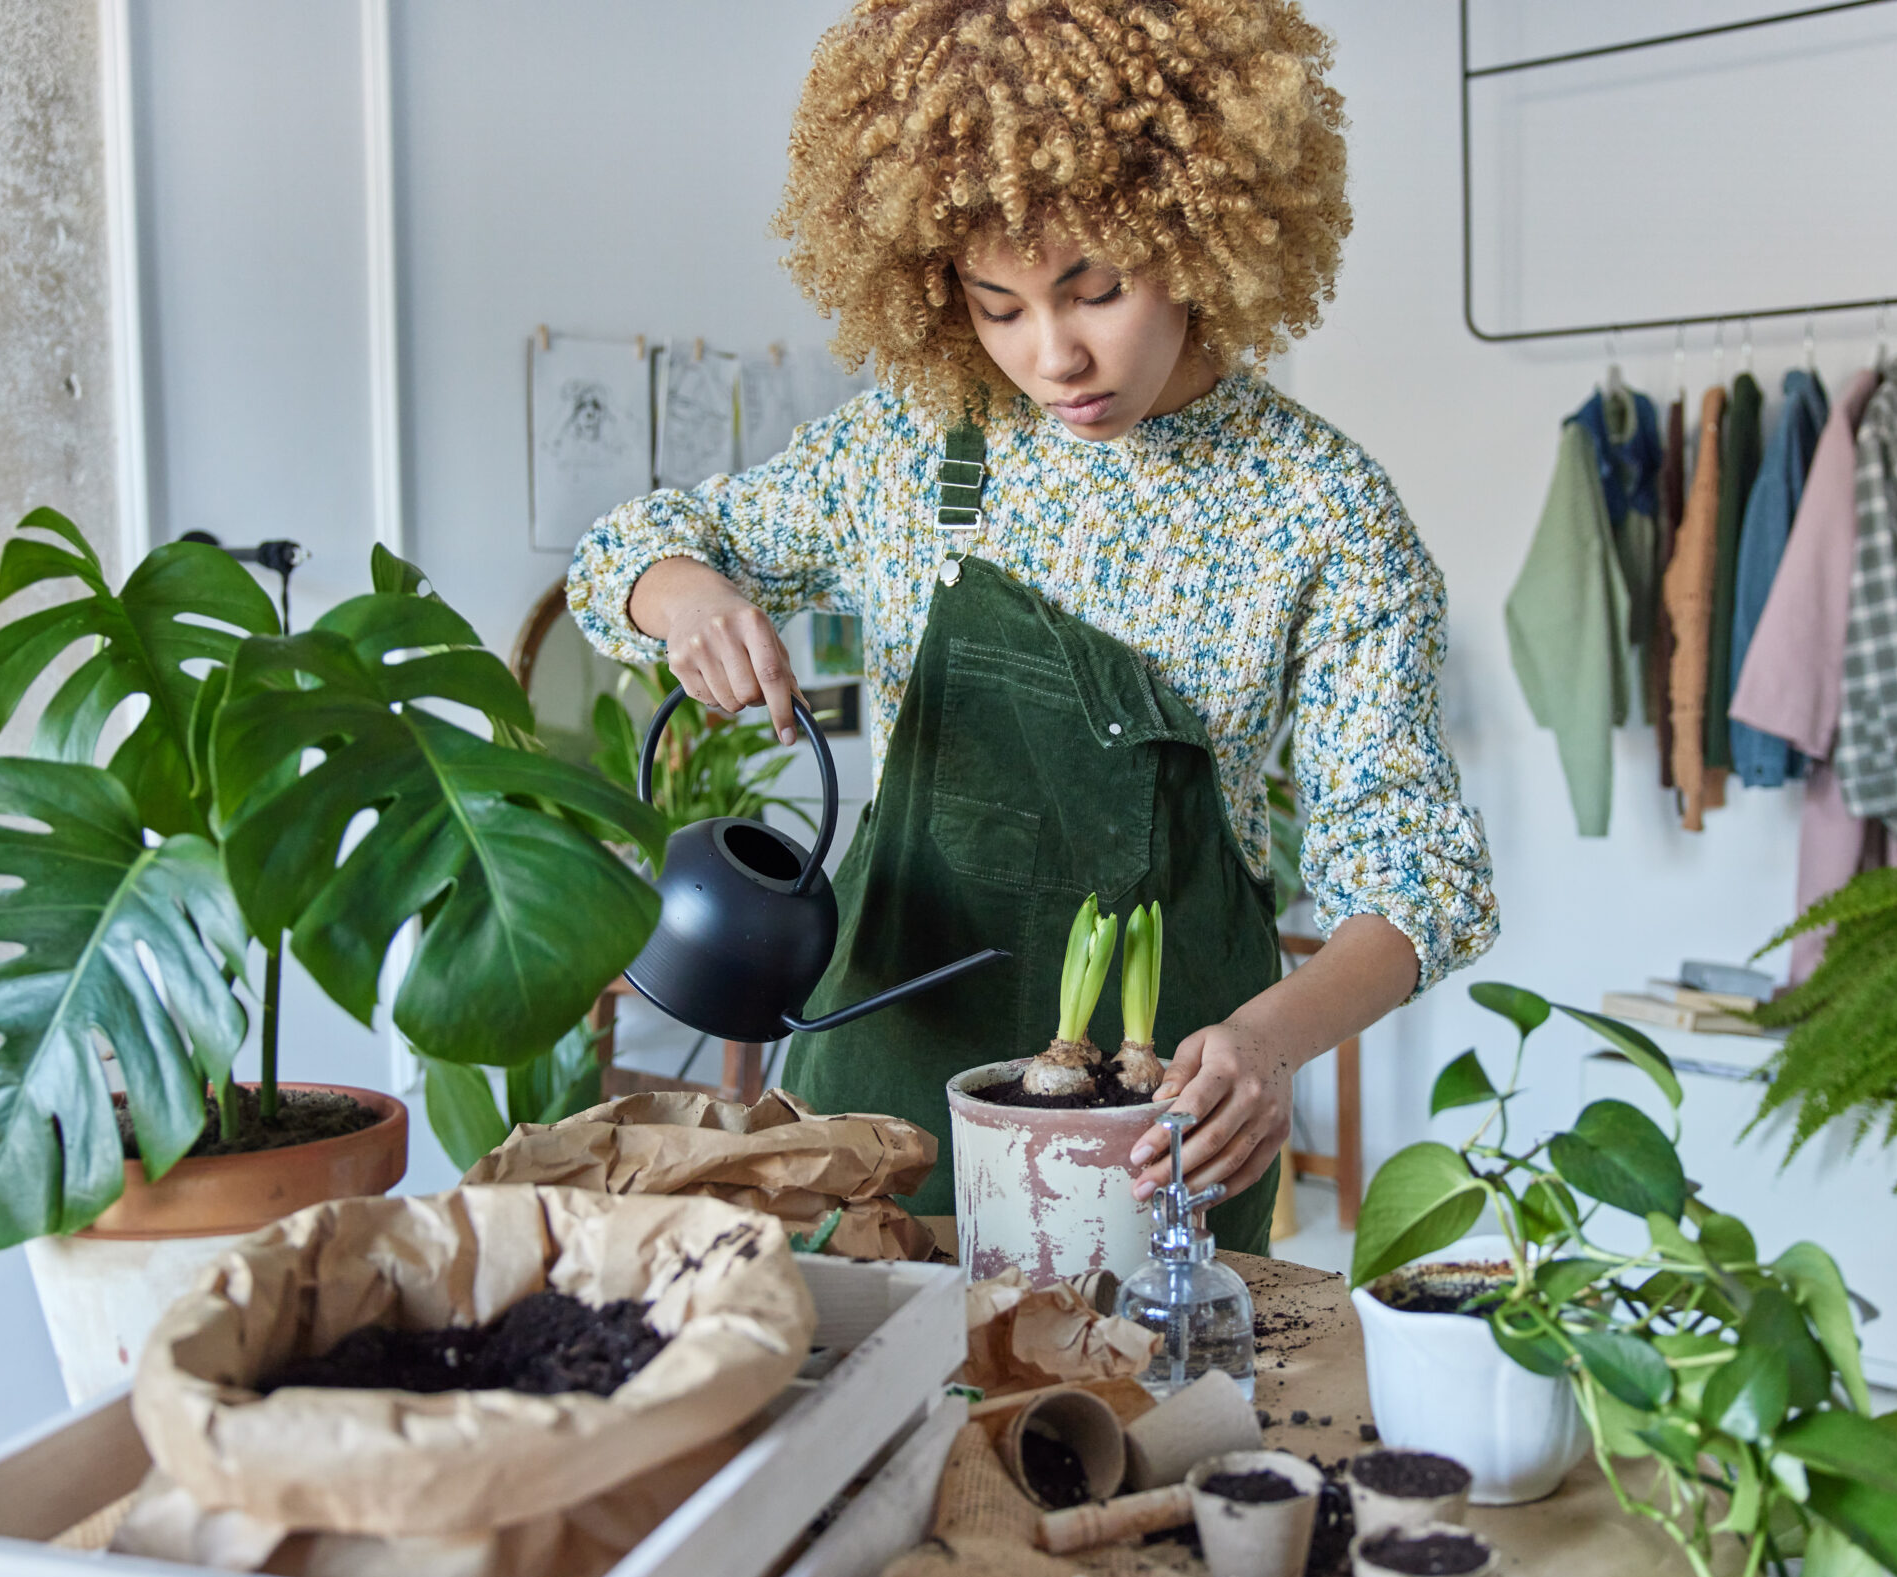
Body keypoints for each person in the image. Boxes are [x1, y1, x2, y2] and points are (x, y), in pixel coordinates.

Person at [569, 0, 1497, 1253]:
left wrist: (1271, 1043)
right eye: (997, 305)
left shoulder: (1317, 510)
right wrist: (687, 595)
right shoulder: (915, 445)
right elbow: (627, 552)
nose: (1053, 354)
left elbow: (1414, 877)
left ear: (1209, 231)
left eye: (1094, 288)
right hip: (883, 1087)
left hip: (1160, 1113)